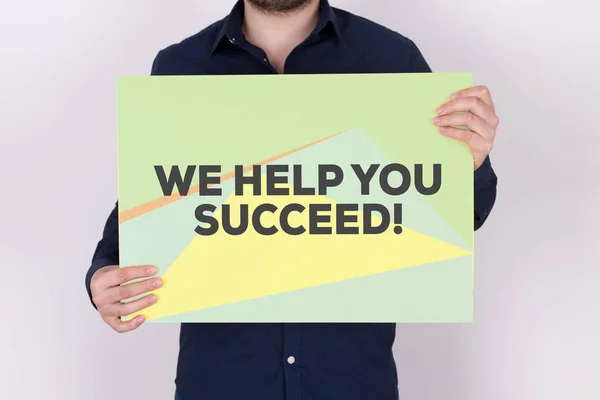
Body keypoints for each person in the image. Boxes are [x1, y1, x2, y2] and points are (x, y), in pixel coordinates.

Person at [85, 1, 499, 399]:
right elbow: (157, 198)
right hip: (219, 384)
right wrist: (104, 272)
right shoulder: (180, 67)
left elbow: (455, 213)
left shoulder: (392, 57)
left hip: (351, 384)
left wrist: (471, 162)